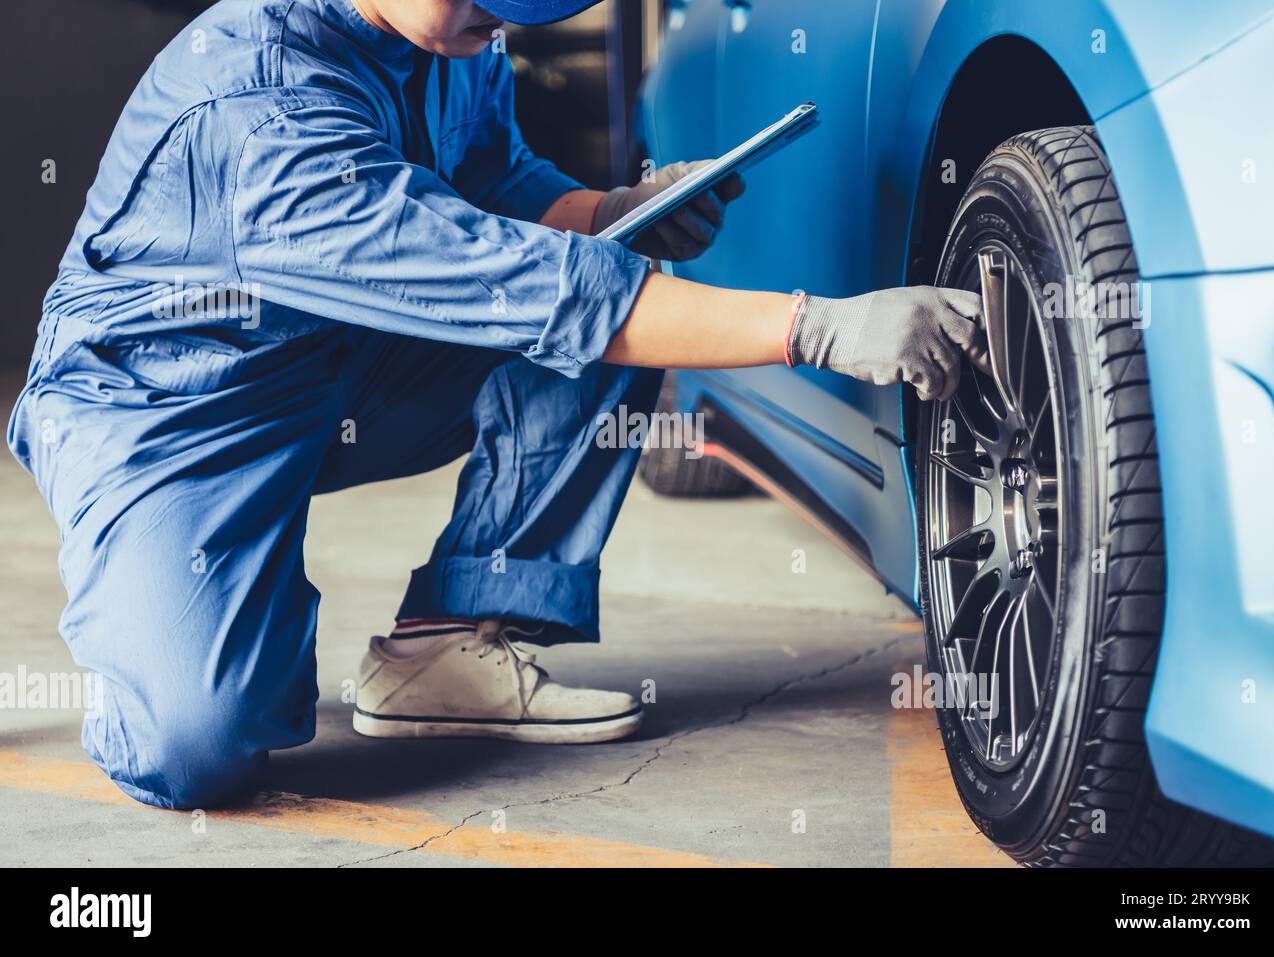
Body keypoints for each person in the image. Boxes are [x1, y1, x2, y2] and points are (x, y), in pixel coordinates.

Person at [6, 0, 987, 810]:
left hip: (341, 361)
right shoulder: (257, 105)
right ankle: (147, 614)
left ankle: (447, 651)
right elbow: (527, 289)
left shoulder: (449, 35)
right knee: (197, 753)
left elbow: (493, 183)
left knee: (604, 276)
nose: (499, 19)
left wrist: (612, 212)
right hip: (170, 413)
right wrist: (815, 328)